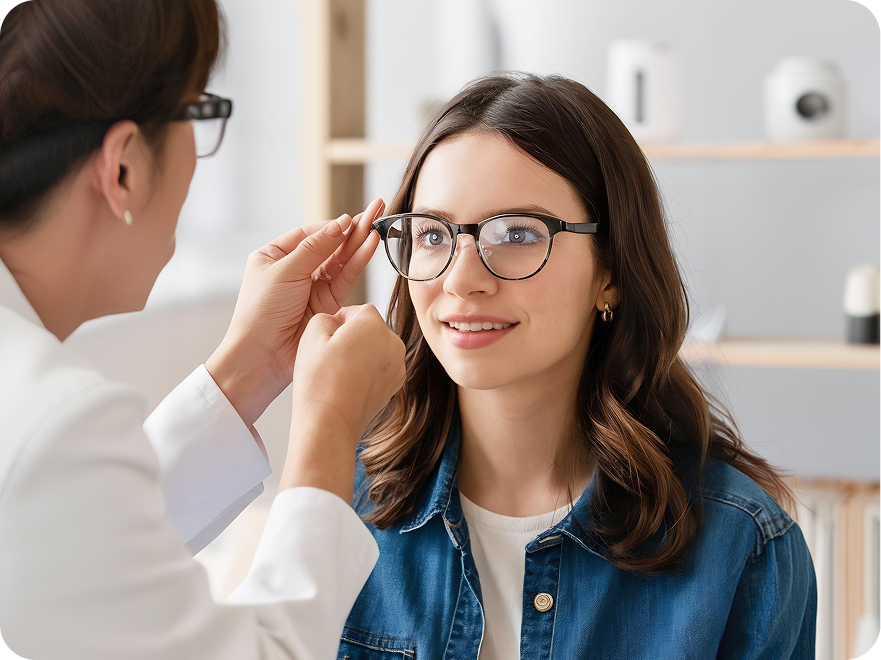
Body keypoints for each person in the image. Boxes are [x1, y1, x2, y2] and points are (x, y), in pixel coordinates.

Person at [339, 73, 817, 659]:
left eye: (517, 233)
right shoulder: (341, 505)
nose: (461, 280)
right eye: (434, 235)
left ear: (610, 270)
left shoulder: (742, 545)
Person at [0, 1, 405, 659]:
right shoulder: (56, 421)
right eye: (199, 112)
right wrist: (328, 422)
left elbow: (74, 543)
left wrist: (249, 368)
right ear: (124, 165)